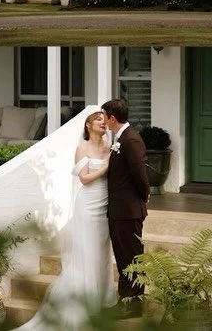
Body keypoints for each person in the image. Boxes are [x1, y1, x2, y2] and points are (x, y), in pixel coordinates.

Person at [20, 110, 116, 329]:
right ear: (88, 126)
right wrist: (107, 168)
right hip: (88, 204)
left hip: (106, 206)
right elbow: (84, 178)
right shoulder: (82, 148)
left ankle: (101, 298)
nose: (103, 123)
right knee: (88, 252)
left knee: (102, 252)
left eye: (104, 120)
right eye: (98, 120)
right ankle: (85, 301)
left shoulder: (110, 146)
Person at [101, 98, 150, 319]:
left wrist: (142, 198)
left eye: (105, 117)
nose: (103, 121)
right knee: (123, 258)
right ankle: (126, 300)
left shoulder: (131, 140)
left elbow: (140, 175)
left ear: (112, 118)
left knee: (131, 258)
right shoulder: (120, 138)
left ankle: (133, 303)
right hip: (119, 210)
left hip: (128, 211)